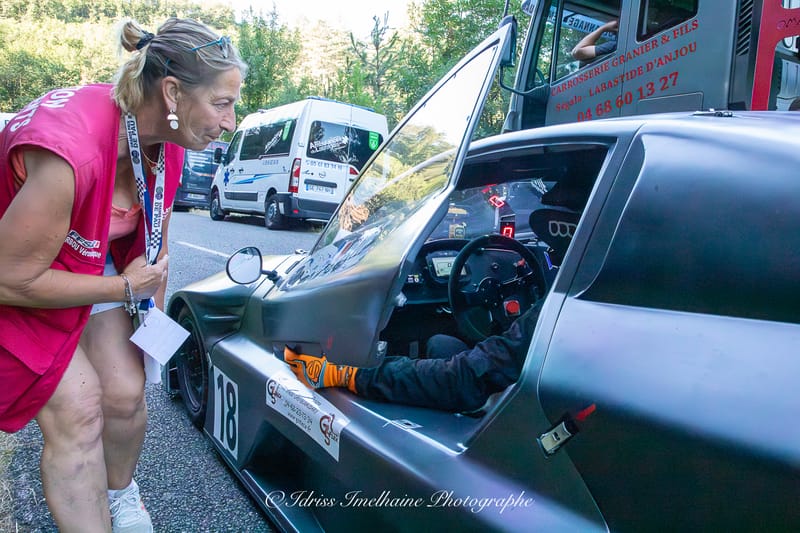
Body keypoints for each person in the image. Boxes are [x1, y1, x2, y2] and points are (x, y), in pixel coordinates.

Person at [0, 17, 246, 533]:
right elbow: (9, 277)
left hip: (91, 262)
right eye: (222, 103)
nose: (231, 121)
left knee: (125, 393)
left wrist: (148, 321)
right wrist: (123, 287)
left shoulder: (169, 140)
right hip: (15, 273)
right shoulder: (70, 154)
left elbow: (154, 245)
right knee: (81, 409)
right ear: (173, 92)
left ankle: (121, 494)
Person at [284, 302, 542, 413]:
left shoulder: (560, 310)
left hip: (512, 412)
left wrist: (350, 374)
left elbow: (467, 379)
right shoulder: (571, 294)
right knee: (441, 344)